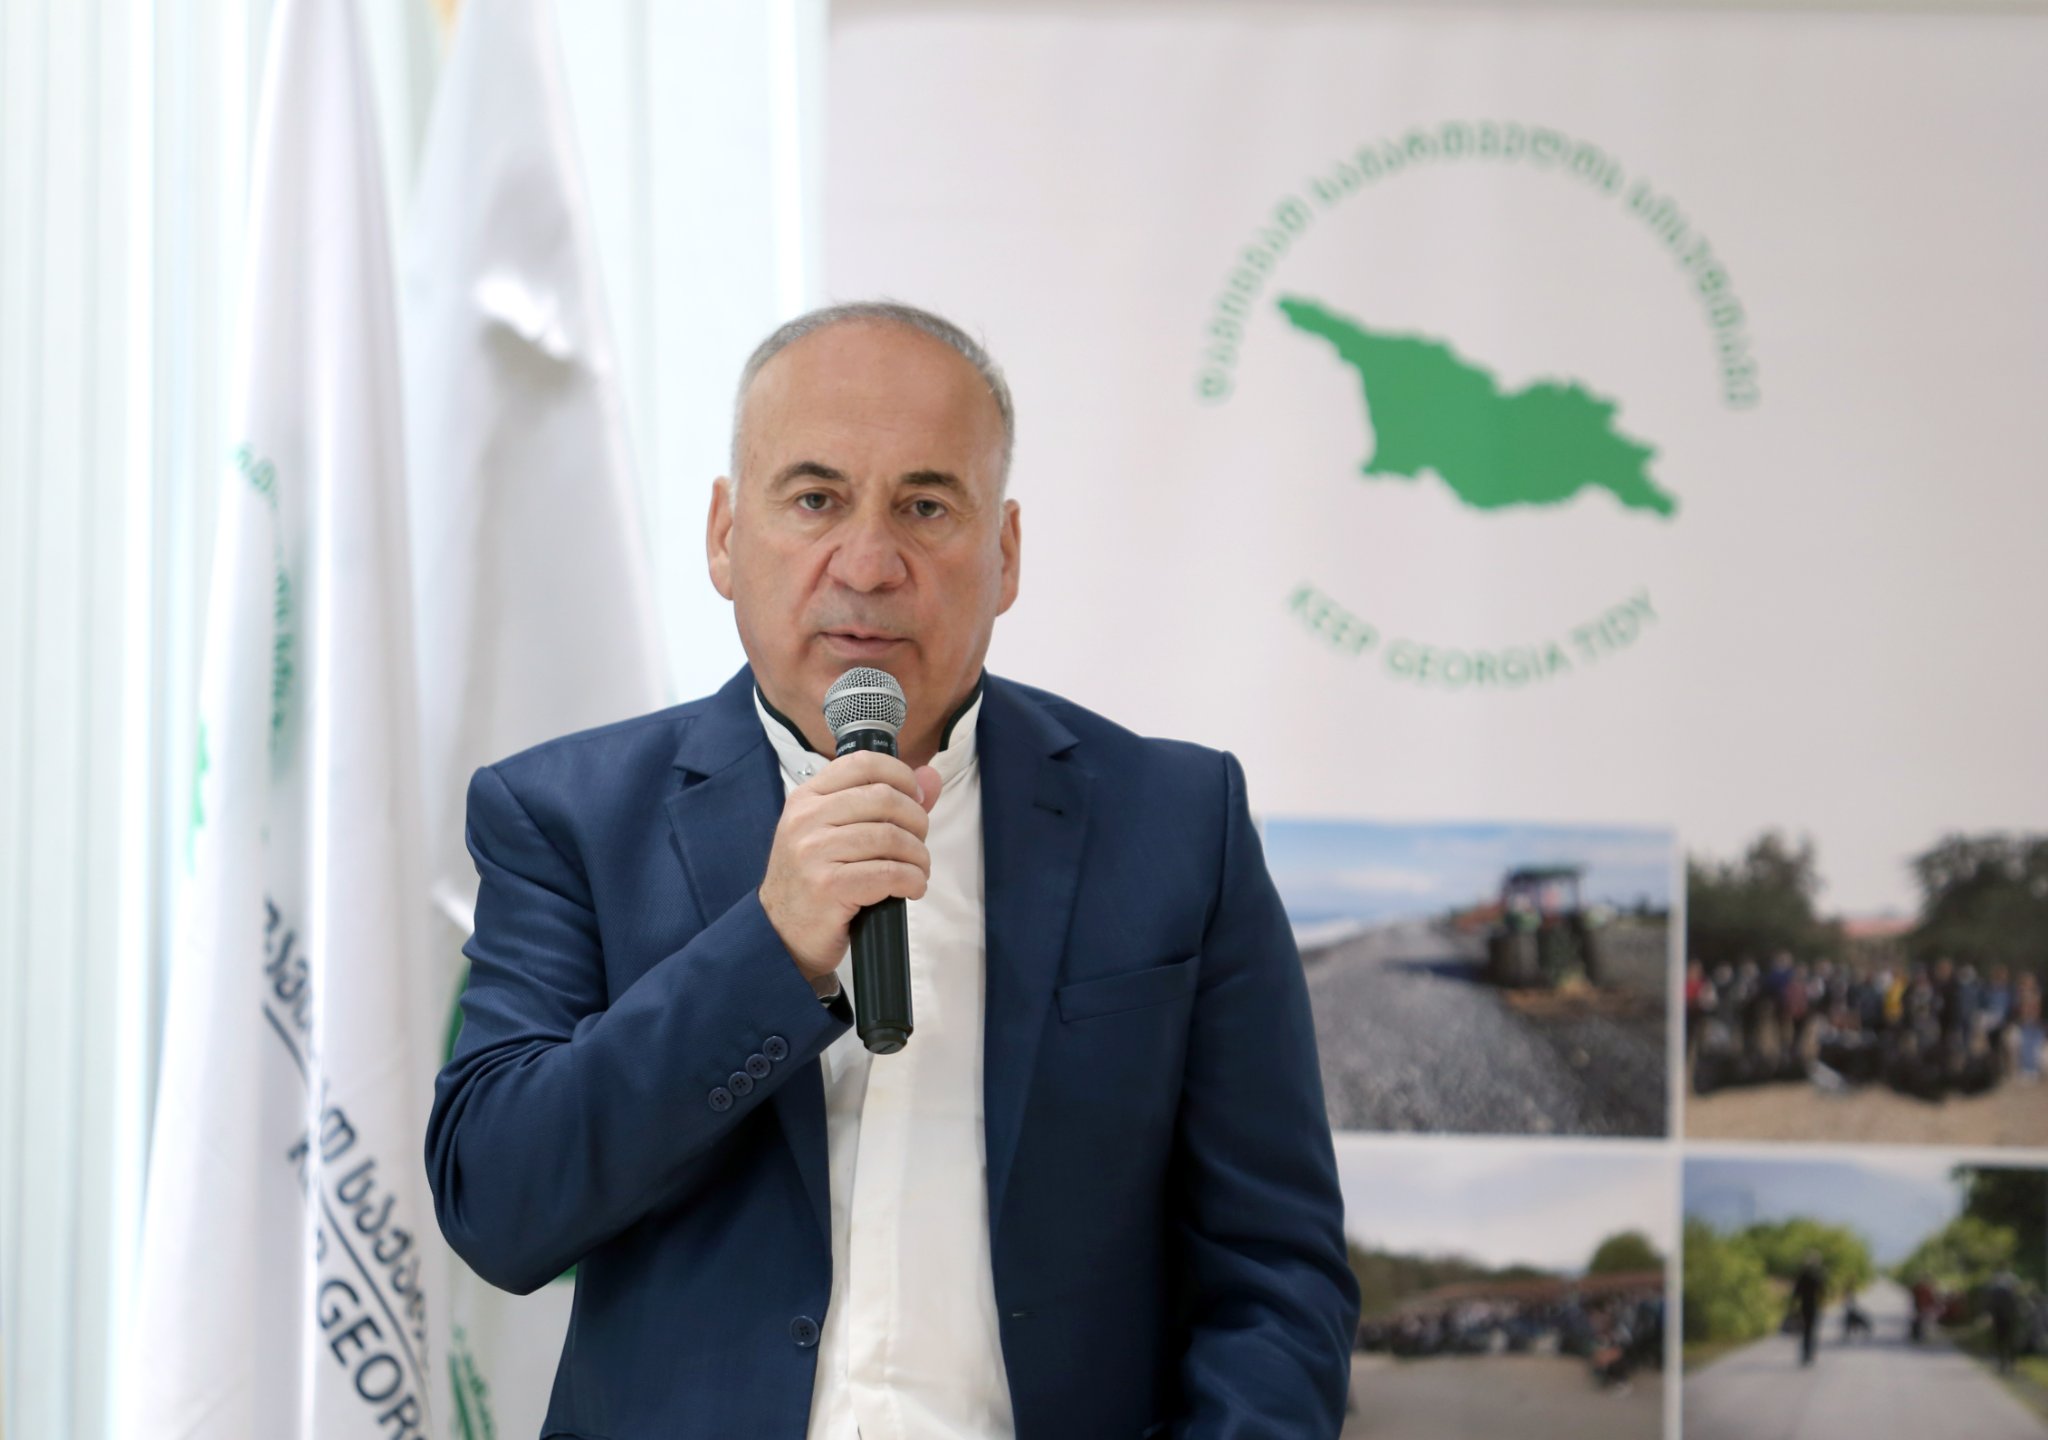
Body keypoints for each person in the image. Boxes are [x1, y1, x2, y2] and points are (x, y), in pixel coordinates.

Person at [424, 301, 1361, 1440]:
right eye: (815, 499)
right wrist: (768, 949)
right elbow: (500, 1208)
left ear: (1004, 555)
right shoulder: (567, 816)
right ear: (724, 534)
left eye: (924, 506)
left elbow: (1274, 1277)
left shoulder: (1174, 824)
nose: (868, 566)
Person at [1791, 1253, 1826, 1366]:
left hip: (1804, 1306)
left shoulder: (1803, 1275)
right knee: (1812, 1330)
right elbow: (1822, 1291)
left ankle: (1806, 1354)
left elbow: (1796, 1292)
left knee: (1805, 1331)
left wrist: (1793, 1305)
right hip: (1813, 1306)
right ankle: (1810, 1354)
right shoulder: (1817, 1275)